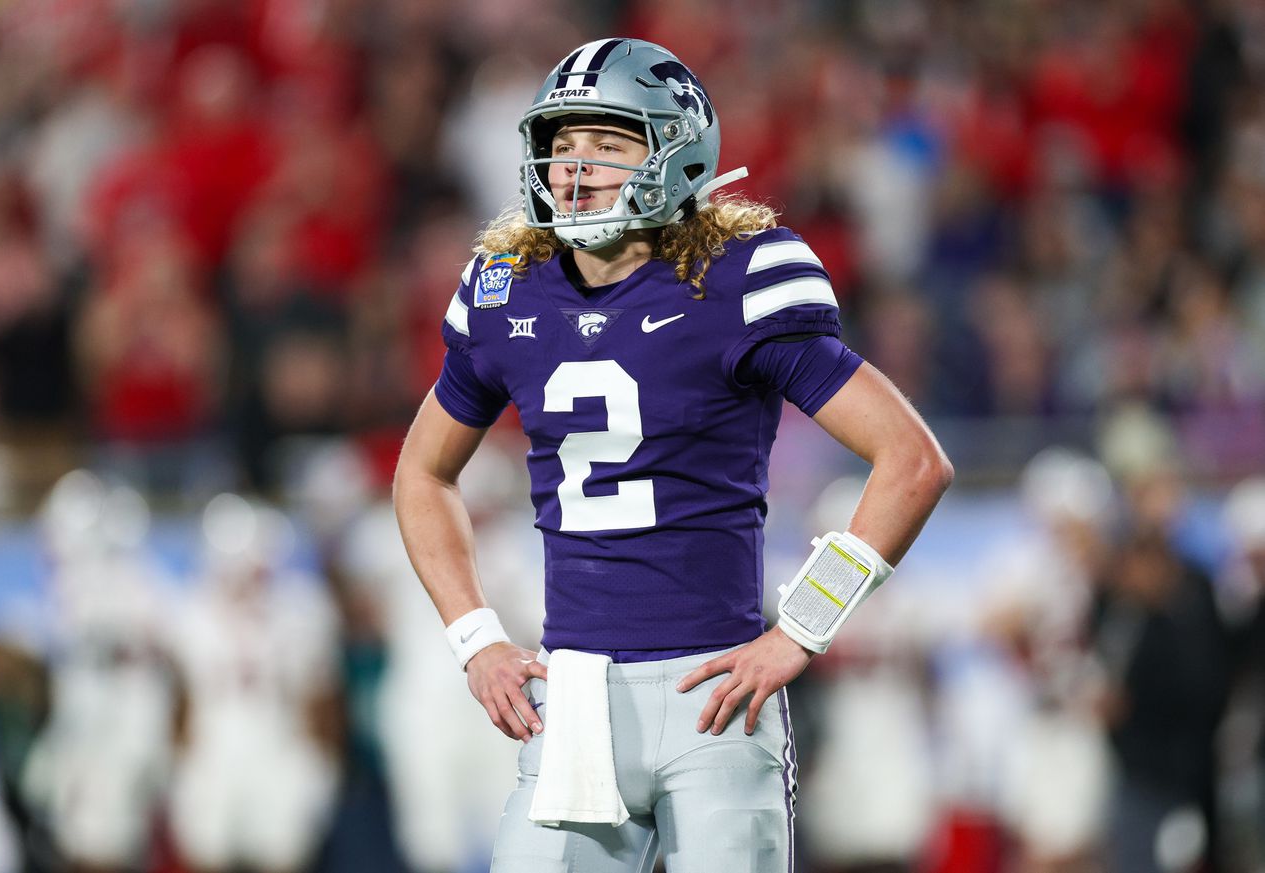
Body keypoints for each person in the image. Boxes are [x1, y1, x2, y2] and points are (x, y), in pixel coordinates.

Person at [393, 38, 952, 872]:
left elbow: (912, 460)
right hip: (573, 697)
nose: (577, 169)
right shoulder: (509, 286)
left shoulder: (742, 278)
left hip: (715, 699)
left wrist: (800, 627)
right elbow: (422, 472)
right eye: (562, 145)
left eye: (609, 146)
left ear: (677, 155)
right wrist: (476, 638)